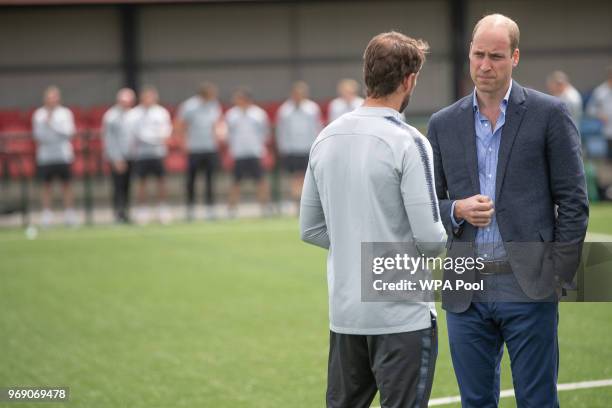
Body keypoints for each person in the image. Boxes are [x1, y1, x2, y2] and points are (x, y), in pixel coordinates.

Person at [427, 14, 588, 407]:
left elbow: (573, 200)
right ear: (469, 54)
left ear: (515, 57)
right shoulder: (442, 123)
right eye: (479, 55)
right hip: (466, 289)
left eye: (496, 56)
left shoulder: (550, 114)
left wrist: (560, 273)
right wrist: (456, 210)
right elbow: (428, 202)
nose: (485, 65)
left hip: (530, 286)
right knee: (476, 402)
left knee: (537, 401)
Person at [300, 32, 446, 408]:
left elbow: (311, 229)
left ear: (367, 74)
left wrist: (357, 244)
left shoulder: (325, 137)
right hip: (401, 316)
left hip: (346, 315)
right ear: (410, 80)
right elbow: (431, 240)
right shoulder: (409, 141)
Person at [175, 82, 223, 220]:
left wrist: (218, 137)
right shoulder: (189, 106)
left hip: (210, 147)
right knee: (191, 179)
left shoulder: (214, 105)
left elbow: (216, 123)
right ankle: (190, 208)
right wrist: (183, 143)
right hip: (194, 148)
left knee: (210, 179)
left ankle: (210, 208)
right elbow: (180, 125)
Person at [125, 86, 173, 224]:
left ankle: (162, 210)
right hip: (141, 154)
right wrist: (149, 138)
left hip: (158, 152)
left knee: (162, 182)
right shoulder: (133, 114)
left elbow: (166, 131)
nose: (148, 100)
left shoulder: (161, 112)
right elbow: (133, 134)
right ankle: (142, 211)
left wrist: (154, 138)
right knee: (141, 183)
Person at [32, 86, 77, 227]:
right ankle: (47, 215)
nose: (52, 100)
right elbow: (39, 136)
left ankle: (69, 214)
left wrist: (52, 125)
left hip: (63, 156)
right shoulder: (38, 115)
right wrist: (50, 130)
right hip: (45, 157)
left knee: (67, 185)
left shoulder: (65, 113)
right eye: (49, 97)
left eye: (54, 97)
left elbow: (69, 132)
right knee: (46, 186)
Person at [224, 88, 271, 216]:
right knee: (236, 182)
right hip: (238, 154)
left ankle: (265, 208)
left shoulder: (259, 114)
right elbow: (227, 134)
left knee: (261, 181)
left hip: (255, 153)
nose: (235, 101)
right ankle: (232, 209)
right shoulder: (231, 114)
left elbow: (265, 133)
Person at [276, 81, 322, 206]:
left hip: (308, 147)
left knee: (307, 177)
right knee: (295, 177)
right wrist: (283, 148)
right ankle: (298, 203)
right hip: (292, 149)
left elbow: (317, 128)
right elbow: (281, 131)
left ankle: (308, 203)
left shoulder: (312, 109)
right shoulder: (285, 110)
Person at [102, 88, 136, 223]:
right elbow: (109, 139)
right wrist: (116, 158)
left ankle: (126, 212)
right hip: (117, 157)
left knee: (128, 186)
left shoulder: (134, 115)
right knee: (118, 186)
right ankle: (117, 213)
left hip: (131, 156)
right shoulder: (111, 116)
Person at [586, 65, 612, 160]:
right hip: (606, 131)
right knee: (608, 160)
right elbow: (590, 109)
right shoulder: (600, 91)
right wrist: (599, 115)